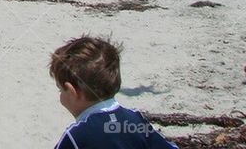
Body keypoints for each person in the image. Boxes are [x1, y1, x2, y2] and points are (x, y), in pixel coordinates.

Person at [49, 36, 177, 149]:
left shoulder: (76, 136)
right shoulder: (135, 119)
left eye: (60, 90)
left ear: (72, 92)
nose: (60, 96)